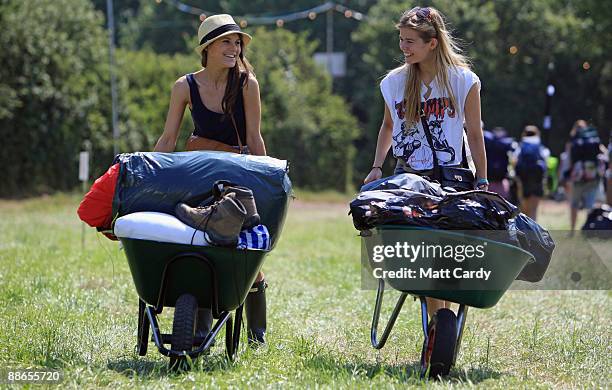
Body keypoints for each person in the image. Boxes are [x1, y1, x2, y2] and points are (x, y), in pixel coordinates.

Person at [363, 6, 488, 319]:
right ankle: (438, 321)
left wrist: (483, 179)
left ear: (432, 43)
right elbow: (388, 126)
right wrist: (377, 166)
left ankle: (438, 321)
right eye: (401, 40)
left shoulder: (463, 81)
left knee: (442, 252)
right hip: (410, 174)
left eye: (410, 41)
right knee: (423, 250)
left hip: (452, 176)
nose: (403, 47)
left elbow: (474, 132)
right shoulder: (393, 83)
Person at [153, 14, 268, 344]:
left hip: (238, 176)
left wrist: (267, 180)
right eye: (226, 42)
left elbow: (255, 138)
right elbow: (168, 138)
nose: (234, 49)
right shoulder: (184, 86)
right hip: (198, 172)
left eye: (237, 43)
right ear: (207, 48)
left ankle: (257, 336)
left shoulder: (247, 84)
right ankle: (200, 332)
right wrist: (155, 170)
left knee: (245, 252)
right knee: (199, 245)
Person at [564, 120, 607, 234]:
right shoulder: (593, 140)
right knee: (591, 204)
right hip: (593, 176)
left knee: (574, 203)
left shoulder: (573, 142)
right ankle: (590, 227)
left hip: (577, 177)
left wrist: (565, 176)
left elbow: (567, 160)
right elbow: (604, 155)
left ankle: (572, 230)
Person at [513, 125, 550, 220]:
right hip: (537, 178)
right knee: (534, 208)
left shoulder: (521, 145)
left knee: (524, 208)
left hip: (524, 178)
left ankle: (524, 229)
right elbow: (546, 159)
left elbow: (514, 160)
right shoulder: (539, 145)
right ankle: (532, 230)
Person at [484, 126, 516, 199]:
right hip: (501, 181)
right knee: (502, 204)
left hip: (488, 181)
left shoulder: (487, 141)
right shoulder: (506, 144)